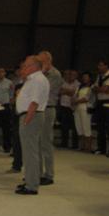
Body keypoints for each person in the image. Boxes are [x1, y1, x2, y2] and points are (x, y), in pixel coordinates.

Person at [15, 56, 49, 195]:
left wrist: (26, 120)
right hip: (30, 116)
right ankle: (30, 180)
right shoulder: (33, 79)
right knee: (29, 152)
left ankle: (32, 186)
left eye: (26, 65)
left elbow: (34, 102)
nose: (24, 67)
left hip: (31, 117)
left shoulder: (37, 80)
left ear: (34, 66)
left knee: (30, 152)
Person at [37, 51, 63, 186]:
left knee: (46, 142)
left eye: (41, 61)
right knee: (37, 143)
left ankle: (49, 174)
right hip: (38, 109)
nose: (39, 63)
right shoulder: (39, 73)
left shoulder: (55, 74)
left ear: (48, 61)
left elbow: (43, 90)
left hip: (48, 109)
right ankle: (37, 173)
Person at [92, 60, 109, 157]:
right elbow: (93, 88)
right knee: (100, 126)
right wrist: (99, 89)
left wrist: (98, 89)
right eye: (98, 65)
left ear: (107, 66)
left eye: (101, 65)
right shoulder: (99, 76)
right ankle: (101, 148)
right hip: (100, 102)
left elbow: (106, 90)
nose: (99, 67)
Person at [7, 64, 25, 173]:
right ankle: (16, 164)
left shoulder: (32, 86)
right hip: (16, 114)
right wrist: (14, 98)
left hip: (26, 115)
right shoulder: (18, 86)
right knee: (16, 140)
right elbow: (13, 100)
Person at [0, 67, 13, 153]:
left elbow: (11, 94)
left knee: (6, 127)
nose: (0, 73)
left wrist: (11, 104)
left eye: (2, 72)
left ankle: (7, 146)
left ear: (5, 73)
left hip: (5, 106)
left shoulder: (9, 82)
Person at [58, 70, 79, 149]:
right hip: (64, 106)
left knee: (75, 127)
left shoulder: (78, 84)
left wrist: (65, 91)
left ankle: (75, 144)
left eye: (73, 75)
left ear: (76, 76)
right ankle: (64, 143)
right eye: (70, 74)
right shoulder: (63, 83)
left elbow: (74, 93)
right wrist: (68, 91)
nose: (71, 76)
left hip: (73, 108)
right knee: (64, 126)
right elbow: (59, 92)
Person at [73, 72, 94, 152]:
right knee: (79, 127)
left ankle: (88, 147)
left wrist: (76, 101)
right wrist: (74, 100)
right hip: (77, 108)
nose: (84, 78)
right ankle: (82, 146)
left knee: (86, 127)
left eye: (86, 77)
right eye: (84, 77)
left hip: (86, 108)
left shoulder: (92, 87)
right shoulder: (79, 87)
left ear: (90, 78)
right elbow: (75, 95)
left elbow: (87, 98)